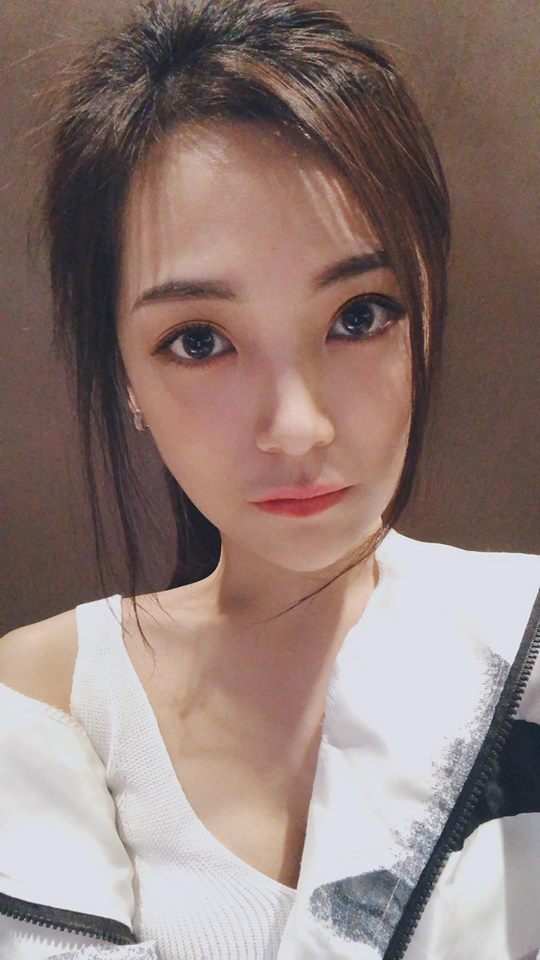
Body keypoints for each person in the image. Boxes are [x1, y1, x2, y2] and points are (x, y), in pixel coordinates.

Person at [1, 0, 538, 958]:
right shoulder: (44, 701)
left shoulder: (522, 640)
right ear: (124, 376)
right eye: (198, 340)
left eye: (360, 315)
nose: (297, 427)